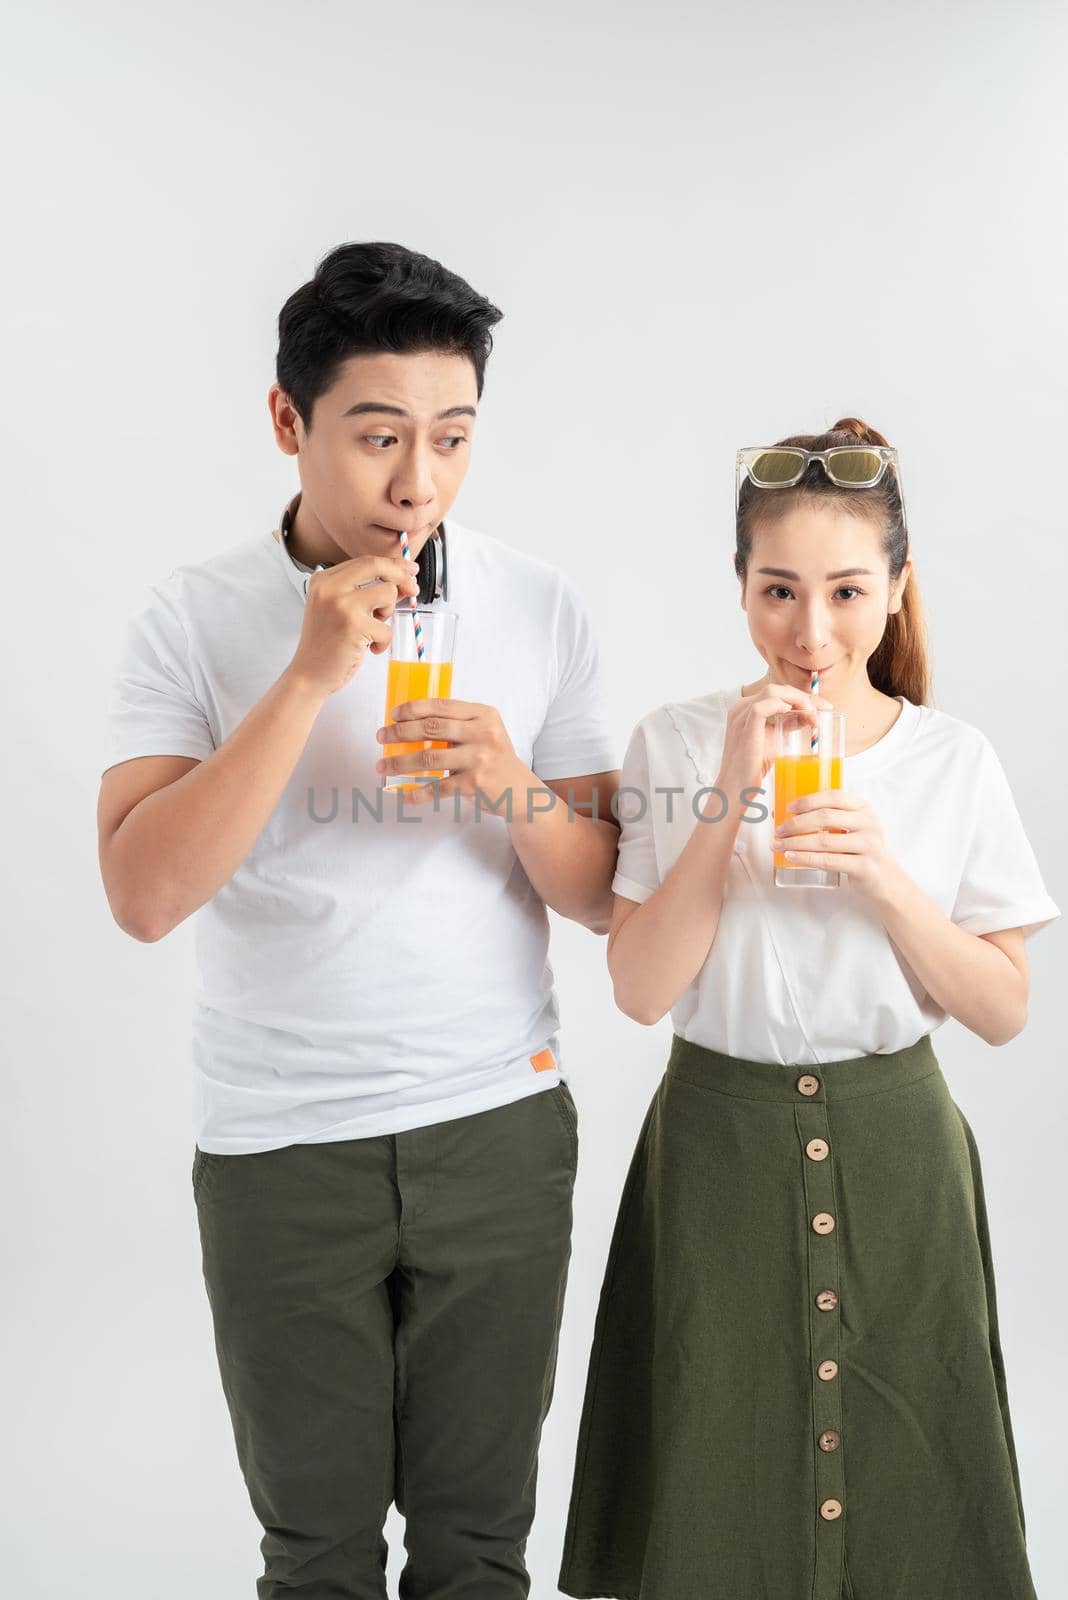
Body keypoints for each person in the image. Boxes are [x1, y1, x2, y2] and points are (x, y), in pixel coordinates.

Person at [97, 240, 621, 1598]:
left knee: (477, 1553)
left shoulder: (537, 604)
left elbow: (607, 897)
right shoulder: (194, 616)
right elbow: (143, 896)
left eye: (453, 438)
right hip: (281, 1151)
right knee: (317, 1559)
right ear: (289, 423)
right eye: (379, 437)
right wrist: (304, 677)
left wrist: (513, 787)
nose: (419, 483)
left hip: (498, 1134)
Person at [556, 417, 1059, 1600]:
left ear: (895, 590)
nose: (811, 631)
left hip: (901, 1153)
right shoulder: (676, 742)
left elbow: (1003, 1010)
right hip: (715, 1153)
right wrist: (727, 798)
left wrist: (886, 878)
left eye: (844, 590)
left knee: (915, 1486)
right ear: (741, 589)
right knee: (714, 1458)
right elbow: (637, 991)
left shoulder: (952, 761)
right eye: (778, 590)